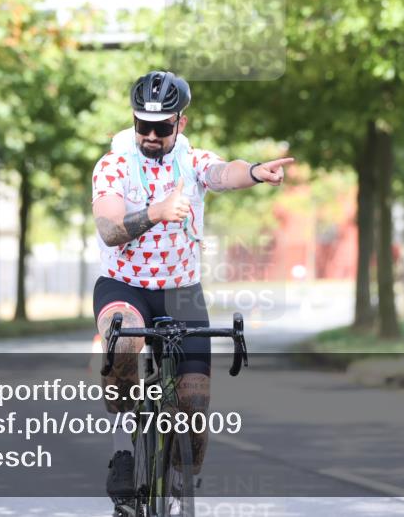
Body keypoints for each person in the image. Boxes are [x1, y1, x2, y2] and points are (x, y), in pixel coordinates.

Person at [91, 70, 293, 504]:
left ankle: (182, 489)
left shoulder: (191, 160)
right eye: (141, 124)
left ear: (180, 123)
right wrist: (157, 211)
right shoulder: (114, 165)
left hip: (181, 292)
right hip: (124, 285)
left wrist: (256, 171)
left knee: (195, 404)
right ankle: (123, 451)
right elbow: (108, 228)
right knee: (122, 345)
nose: (149, 135)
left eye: (161, 127)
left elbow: (223, 173)